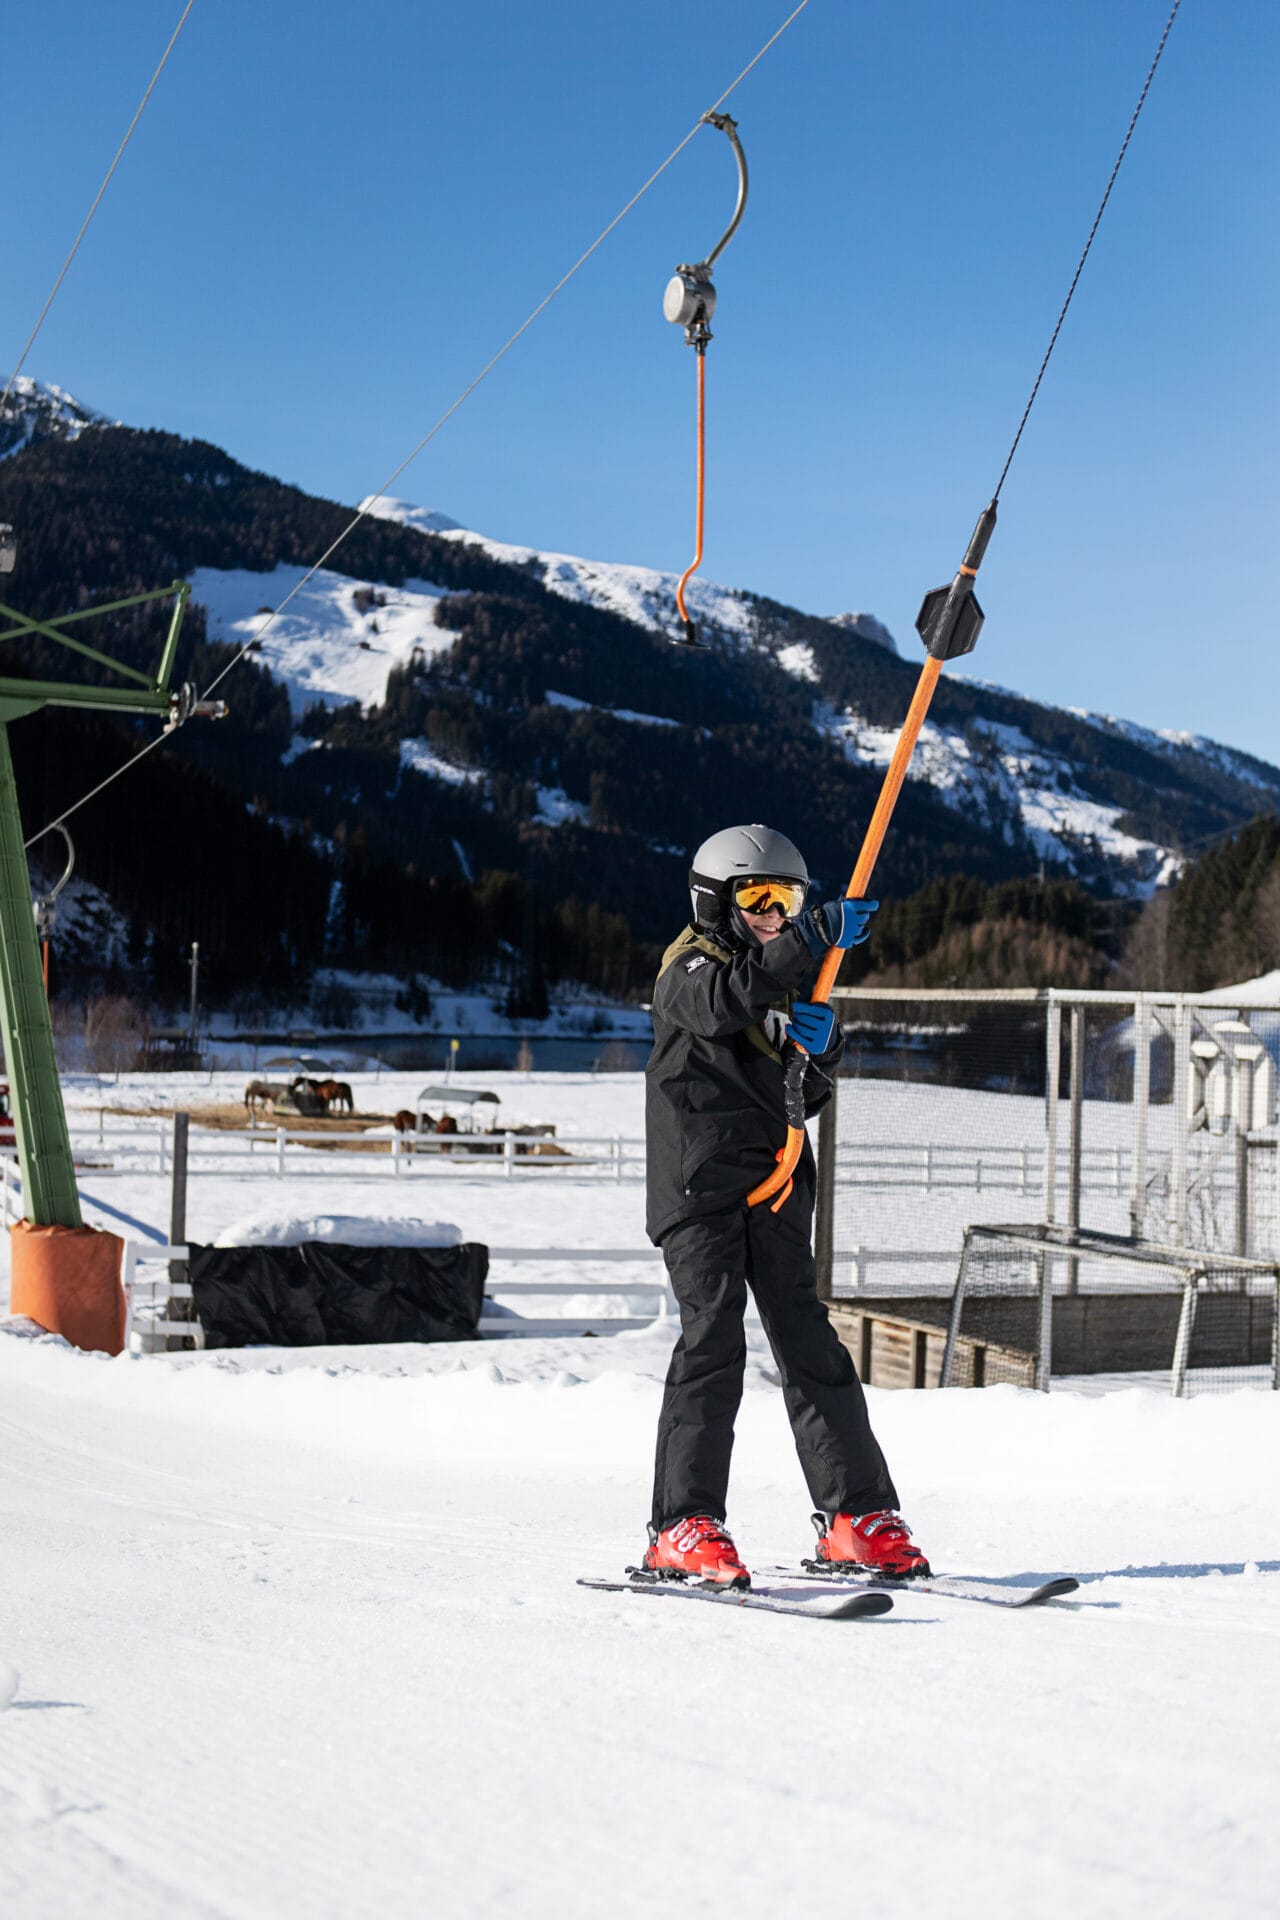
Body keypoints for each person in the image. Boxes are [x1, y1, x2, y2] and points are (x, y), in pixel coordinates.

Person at [641, 823, 929, 1589]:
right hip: (701, 1188)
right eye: (759, 899)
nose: (773, 913)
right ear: (715, 900)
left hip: (775, 1182)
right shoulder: (689, 967)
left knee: (810, 1344)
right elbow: (717, 1004)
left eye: (789, 900)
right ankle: (682, 1523)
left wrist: (823, 1050)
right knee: (713, 1340)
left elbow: (806, 1096)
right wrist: (807, 940)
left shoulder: (787, 982)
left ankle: (856, 1516)